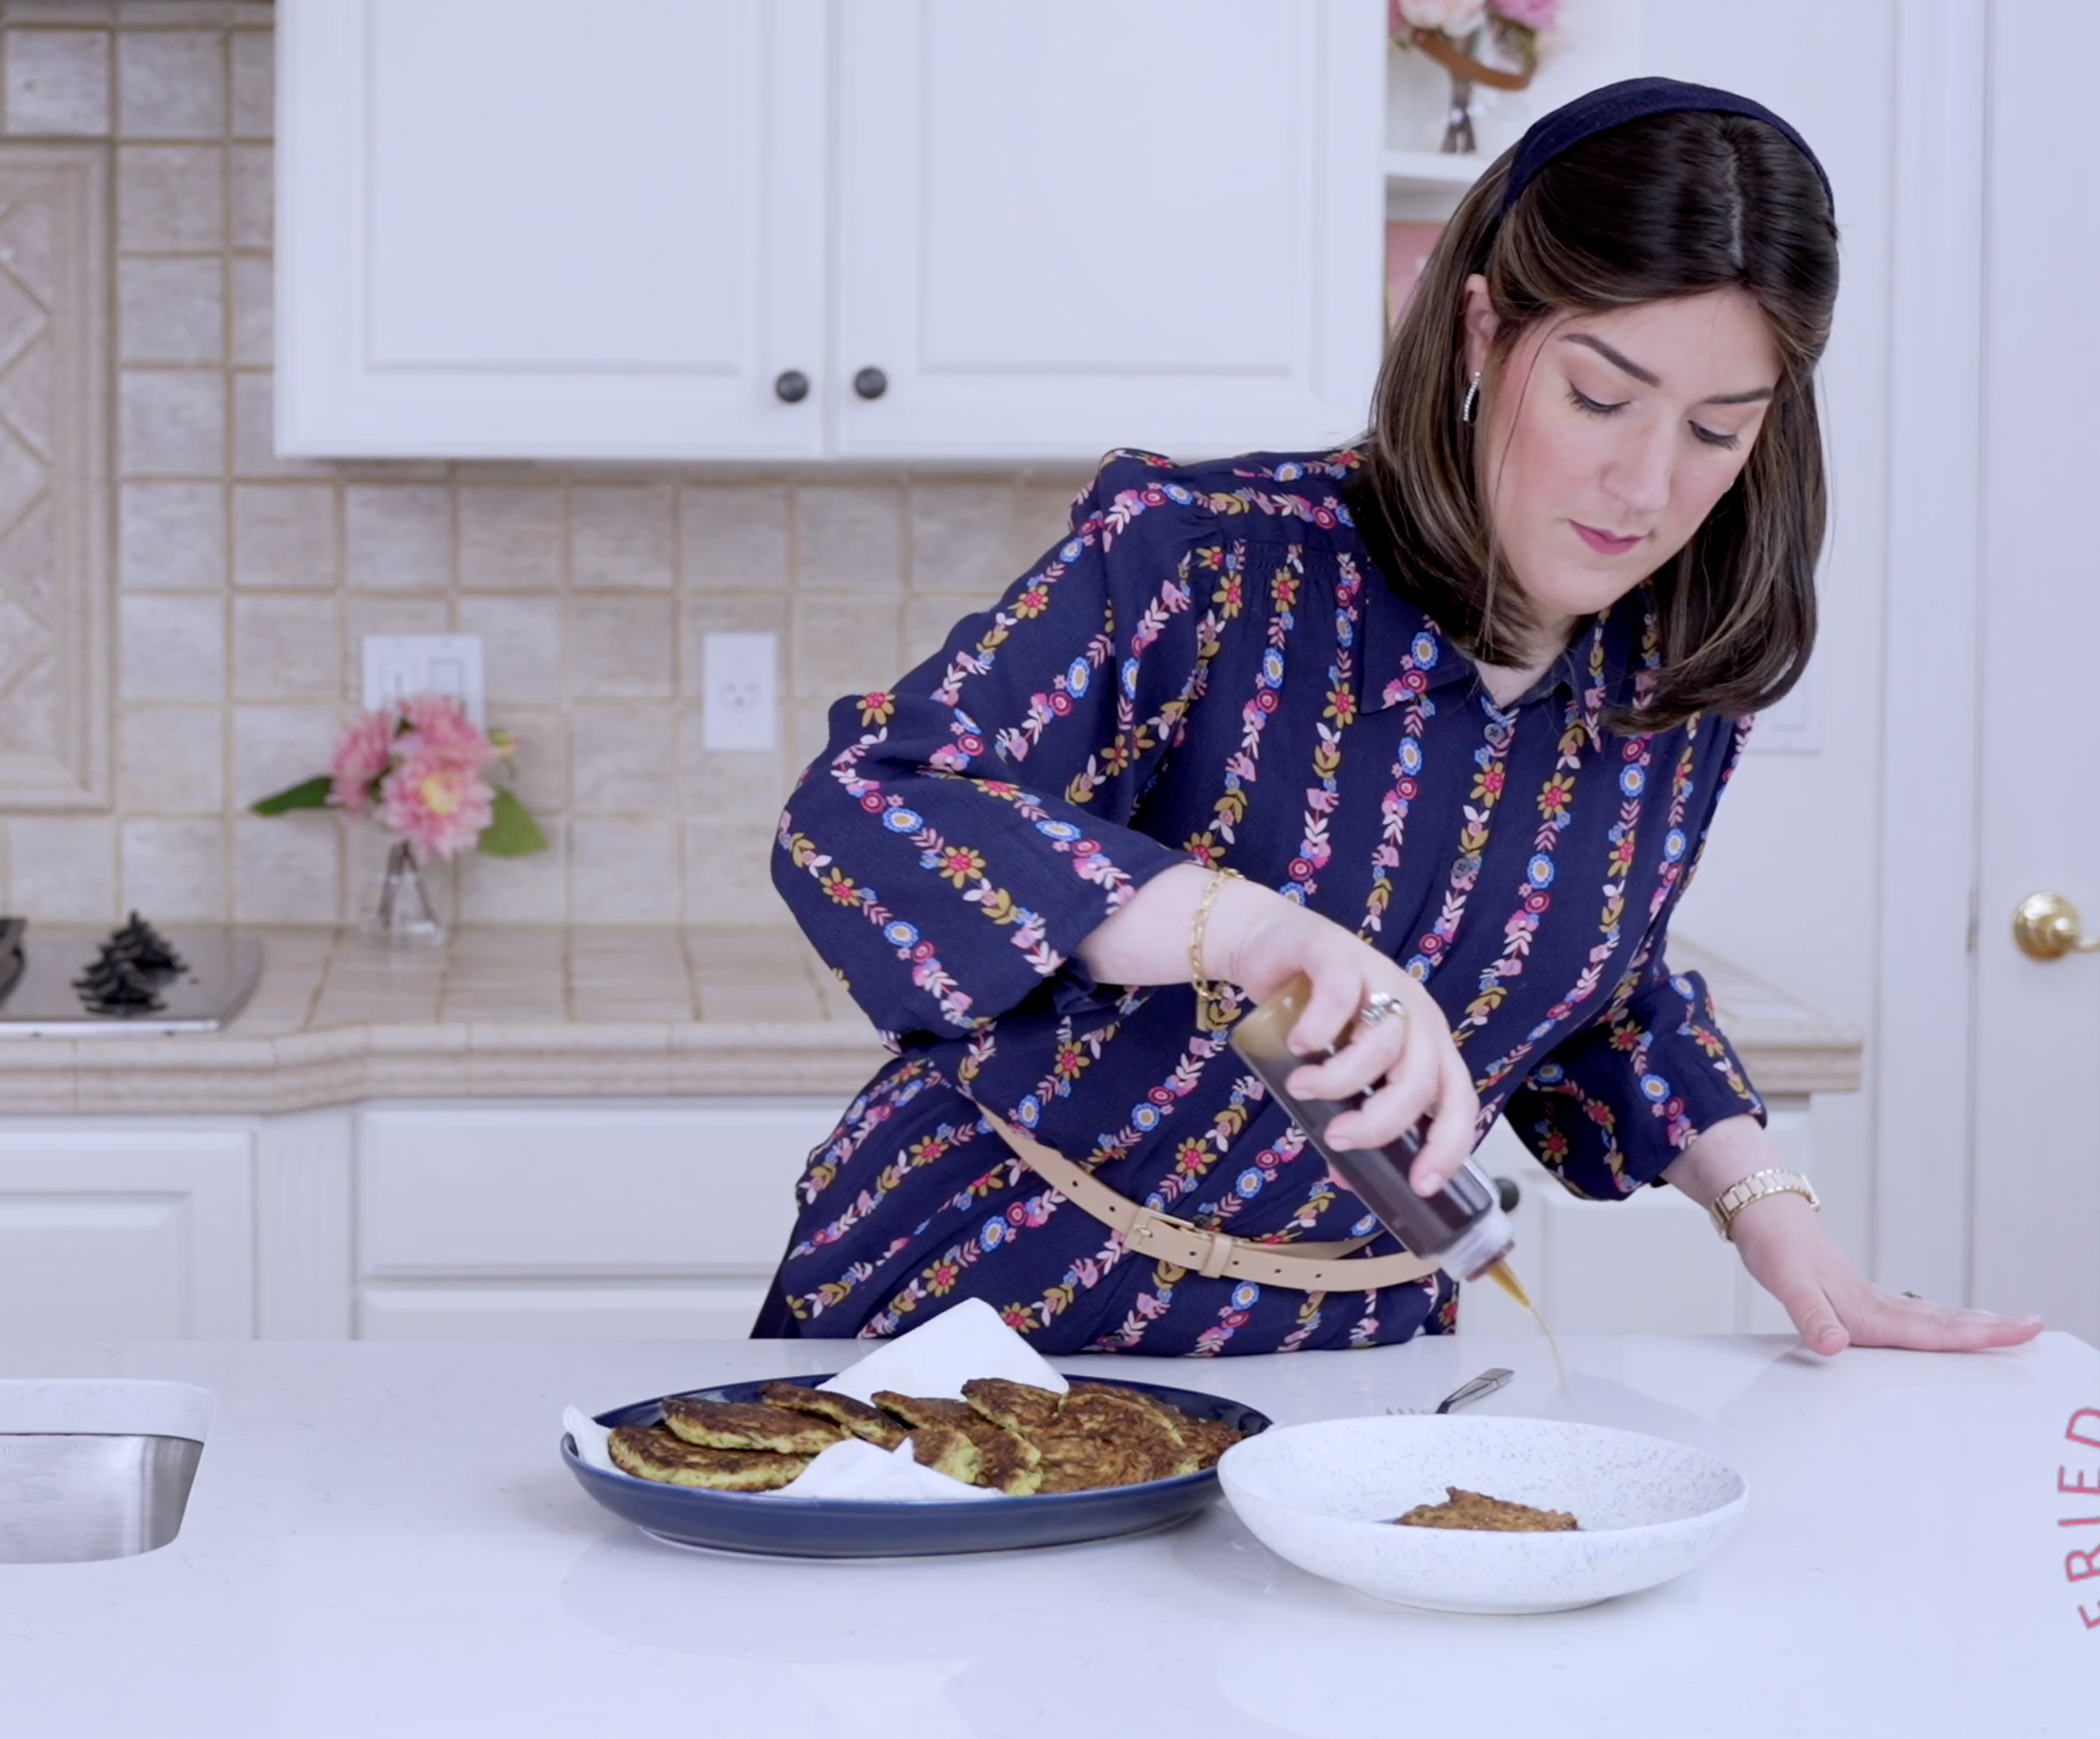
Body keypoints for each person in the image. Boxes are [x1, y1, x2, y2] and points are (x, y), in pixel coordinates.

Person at [756, 78, 2043, 1359]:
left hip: (1345, 1364)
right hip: (968, 1307)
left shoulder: (1672, 678)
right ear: (1482, 329)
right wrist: (1242, 927)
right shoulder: (1203, 562)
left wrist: (1768, 1209)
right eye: (1599, 398)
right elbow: (868, 803)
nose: (1645, 486)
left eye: (1716, 431)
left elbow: (1593, 991)